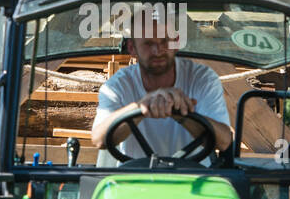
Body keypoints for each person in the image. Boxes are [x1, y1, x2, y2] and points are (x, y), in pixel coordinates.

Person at [91, 25, 232, 163]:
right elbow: (98, 140)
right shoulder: (118, 85)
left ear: (176, 42)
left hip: (194, 178)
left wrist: (179, 113)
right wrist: (141, 105)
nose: (158, 50)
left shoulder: (202, 78)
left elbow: (224, 142)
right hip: (134, 178)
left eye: (165, 41)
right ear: (132, 48)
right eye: (148, 43)